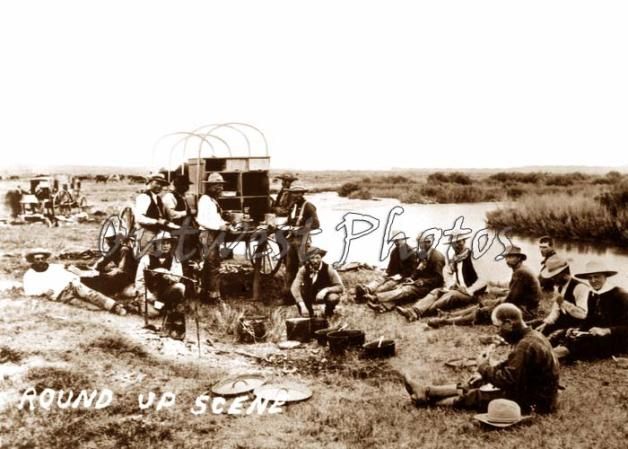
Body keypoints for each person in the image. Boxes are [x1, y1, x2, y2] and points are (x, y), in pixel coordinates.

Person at [403, 303, 560, 414]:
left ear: (509, 323)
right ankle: (426, 391)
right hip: (538, 393)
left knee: (478, 395)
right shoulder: (534, 336)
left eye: (498, 327)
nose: (498, 332)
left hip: (537, 402)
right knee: (479, 382)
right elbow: (513, 366)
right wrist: (487, 370)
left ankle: (427, 400)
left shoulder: (525, 345)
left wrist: (483, 367)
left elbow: (507, 380)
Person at [424, 245, 542, 327]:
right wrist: (495, 301)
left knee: (482, 312)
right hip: (523, 305)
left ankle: (445, 322)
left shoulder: (520, 273)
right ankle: (448, 315)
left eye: (512, 257)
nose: (507, 260)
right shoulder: (521, 270)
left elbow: (511, 300)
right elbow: (514, 295)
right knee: (485, 304)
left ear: (520, 258)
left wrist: (494, 305)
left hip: (526, 311)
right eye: (507, 257)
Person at [396, 232, 487, 321]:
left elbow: (484, 279)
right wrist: (452, 284)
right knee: (436, 291)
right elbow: (447, 272)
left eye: (459, 242)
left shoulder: (474, 257)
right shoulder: (455, 258)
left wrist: (469, 289)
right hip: (459, 289)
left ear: (464, 241)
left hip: (473, 293)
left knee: (450, 295)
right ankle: (414, 310)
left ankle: (419, 312)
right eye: (453, 243)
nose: (456, 245)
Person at [553, 261, 628, 361]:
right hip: (596, 335)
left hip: (617, 339)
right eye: (590, 277)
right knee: (565, 333)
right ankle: (552, 353)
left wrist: (607, 330)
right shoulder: (593, 294)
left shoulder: (620, 295)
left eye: (597, 277)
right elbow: (590, 319)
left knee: (583, 343)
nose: (593, 280)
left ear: (605, 276)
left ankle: (550, 356)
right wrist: (578, 329)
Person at [22, 248, 126, 315]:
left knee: (91, 294)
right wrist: (44, 292)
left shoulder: (55, 267)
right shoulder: (29, 275)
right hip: (61, 295)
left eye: (42, 258)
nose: (40, 261)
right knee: (88, 307)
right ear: (33, 260)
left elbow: (71, 273)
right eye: (37, 259)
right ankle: (104, 310)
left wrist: (74, 280)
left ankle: (115, 307)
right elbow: (30, 291)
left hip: (72, 286)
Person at [363, 234, 445, 313]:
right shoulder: (422, 253)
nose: (419, 245)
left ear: (429, 242)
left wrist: (423, 282)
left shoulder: (437, 257)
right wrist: (412, 278)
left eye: (421, 242)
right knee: (402, 289)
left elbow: (439, 279)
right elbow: (417, 270)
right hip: (420, 284)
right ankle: (383, 306)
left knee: (405, 290)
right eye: (419, 242)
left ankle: (376, 298)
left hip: (430, 287)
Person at [535, 255, 589, 344]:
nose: (552, 279)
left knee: (551, 339)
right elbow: (555, 311)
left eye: (554, 276)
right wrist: (546, 323)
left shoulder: (580, 287)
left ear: (564, 274)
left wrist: (563, 302)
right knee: (536, 325)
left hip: (576, 325)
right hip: (562, 322)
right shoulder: (559, 287)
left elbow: (583, 315)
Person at [354, 230, 417, 303]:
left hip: (403, 278)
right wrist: (387, 273)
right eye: (394, 241)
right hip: (394, 275)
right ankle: (367, 289)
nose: (396, 243)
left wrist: (400, 276)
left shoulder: (411, 253)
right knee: (380, 279)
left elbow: (412, 271)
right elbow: (391, 267)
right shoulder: (394, 252)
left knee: (387, 285)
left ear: (404, 240)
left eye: (398, 241)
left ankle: (369, 295)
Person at [134, 232, 185, 320]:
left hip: (164, 293)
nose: (165, 246)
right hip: (149, 293)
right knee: (153, 313)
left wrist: (166, 273)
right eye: (162, 243)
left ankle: (167, 307)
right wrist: (149, 297)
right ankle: (137, 305)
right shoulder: (146, 259)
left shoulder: (174, 260)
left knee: (180, 287)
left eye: (168, 243)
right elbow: (139, 281)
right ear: (156, 245)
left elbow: (178, 277)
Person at [282, 182, 320, 297]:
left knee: (305, 269)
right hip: (291, 241)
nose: (296, 195)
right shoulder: (293, 206)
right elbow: (290, 221)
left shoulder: (308, 206)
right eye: (294, 193)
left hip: (302, 241)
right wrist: (281, 226)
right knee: (290, 269)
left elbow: (316, 224)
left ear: (303, 194)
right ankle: (289, 296)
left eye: (299, 193)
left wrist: (300, 230)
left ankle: (308, 295)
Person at [196, 172, 229, 303]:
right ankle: (213, 296)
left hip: (213, 233)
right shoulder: (204, 200)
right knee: (212, 265)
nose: (220, 188)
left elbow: (215, 218)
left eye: (221, 185)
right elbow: (202, 220)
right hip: (208, 234)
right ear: (209, 186)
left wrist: (224, 223)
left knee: (213, 264)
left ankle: (208, 294)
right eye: (216, 185)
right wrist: (219, 227)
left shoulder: (212, 200)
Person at [81, 227, 136, 297]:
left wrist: (104, 275)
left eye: (110, 240)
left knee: (102, 283)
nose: (108, 243)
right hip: (121, 274)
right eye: (108, 240)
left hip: (129, 277)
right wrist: (94, 269)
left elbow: (121, 270)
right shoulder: (114, 248)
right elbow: (104, 260)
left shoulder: (124, 250)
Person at [291, 247, 344, 317]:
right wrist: (302, 305)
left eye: (317, 258)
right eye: (312, 258)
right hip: (309, 295)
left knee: (333, 297)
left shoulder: (329, 269)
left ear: (321, 257)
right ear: (308, 259)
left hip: (324, 296)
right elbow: (294, 287)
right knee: (299, 295)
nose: (315, 261)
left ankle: (328, 313)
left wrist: (326, 290)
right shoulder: (303, 269)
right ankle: (308, 313)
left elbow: (340, 287)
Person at [134, 173, 175, 254]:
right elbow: (139, 218)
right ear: (149, 182)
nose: (159, 186)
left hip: (157, 232)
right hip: (146, 232)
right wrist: (157, 221)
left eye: (161, 184)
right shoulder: (144, 197)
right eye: (157, 183)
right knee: (148, 257)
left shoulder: (157, 198)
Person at [162, 174, 198, 264]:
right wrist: (188, 212)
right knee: (178, 254)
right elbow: (172, 215)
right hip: (174, 230)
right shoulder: (169, 197)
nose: (186, 188)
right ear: (178, 186)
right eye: (184, 185)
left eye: (187, 185)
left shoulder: (182, 197)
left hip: (184, 230)